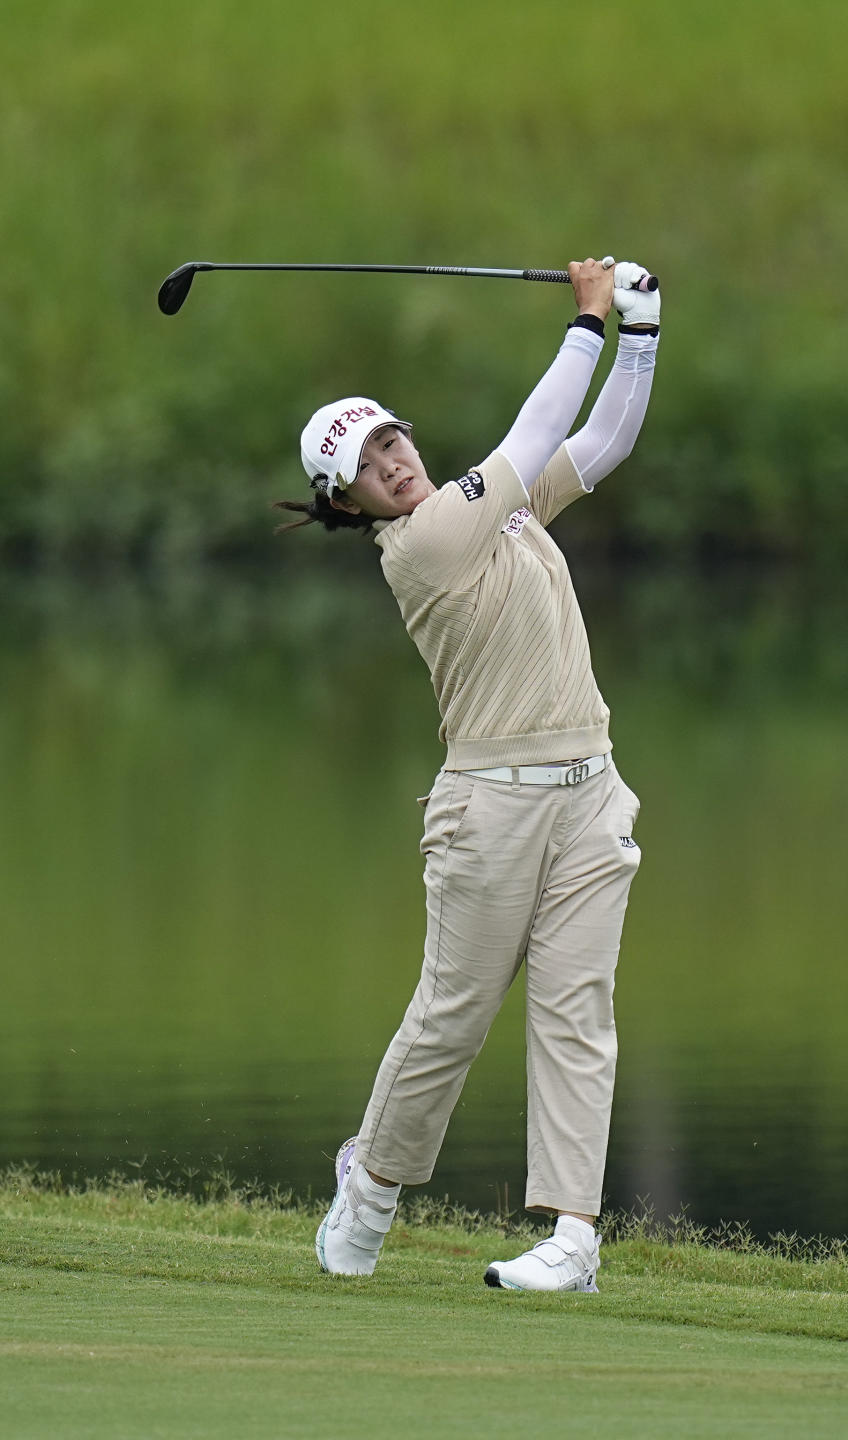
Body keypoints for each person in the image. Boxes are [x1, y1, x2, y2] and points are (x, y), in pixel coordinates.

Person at [275, 256, 660, 1292]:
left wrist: (644, 332)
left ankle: (572, 1240)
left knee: (579, 1011)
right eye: (367, 463)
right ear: (349, 501)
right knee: (453, 1017)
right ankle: (373, 1185)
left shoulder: (503, 511)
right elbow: (534, 435)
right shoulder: (424, 544)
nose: (392, 464)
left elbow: (602, 441)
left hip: (590, 794)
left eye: (391, 440)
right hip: (490, 810)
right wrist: (588, 319)